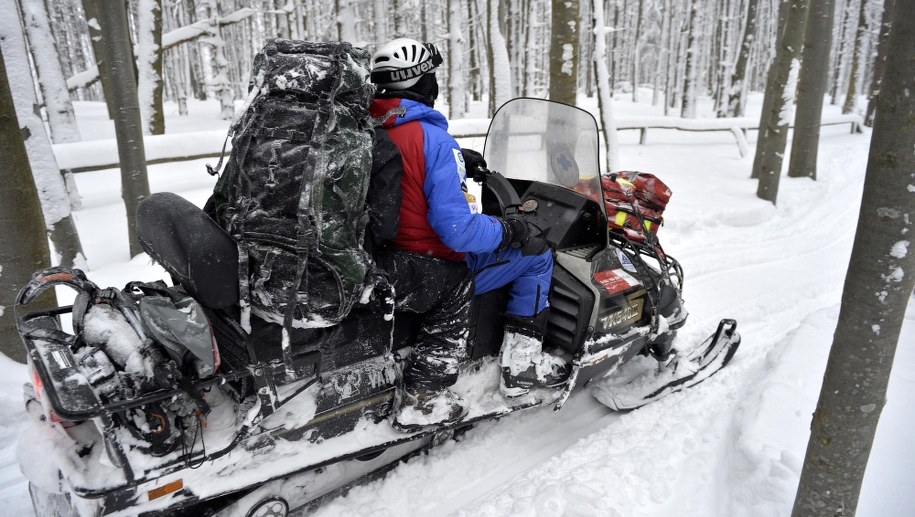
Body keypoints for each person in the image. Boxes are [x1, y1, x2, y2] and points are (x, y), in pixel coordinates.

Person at [368, 38, 569, 432]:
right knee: (536, 255)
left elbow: (400, 162)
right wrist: (510, 230)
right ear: (422, 84)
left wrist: (456, 154)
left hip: (387, 255)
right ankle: (517, 369)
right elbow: (458, 232)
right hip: (427, 258)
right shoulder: (431, 140)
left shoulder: (369, 128)